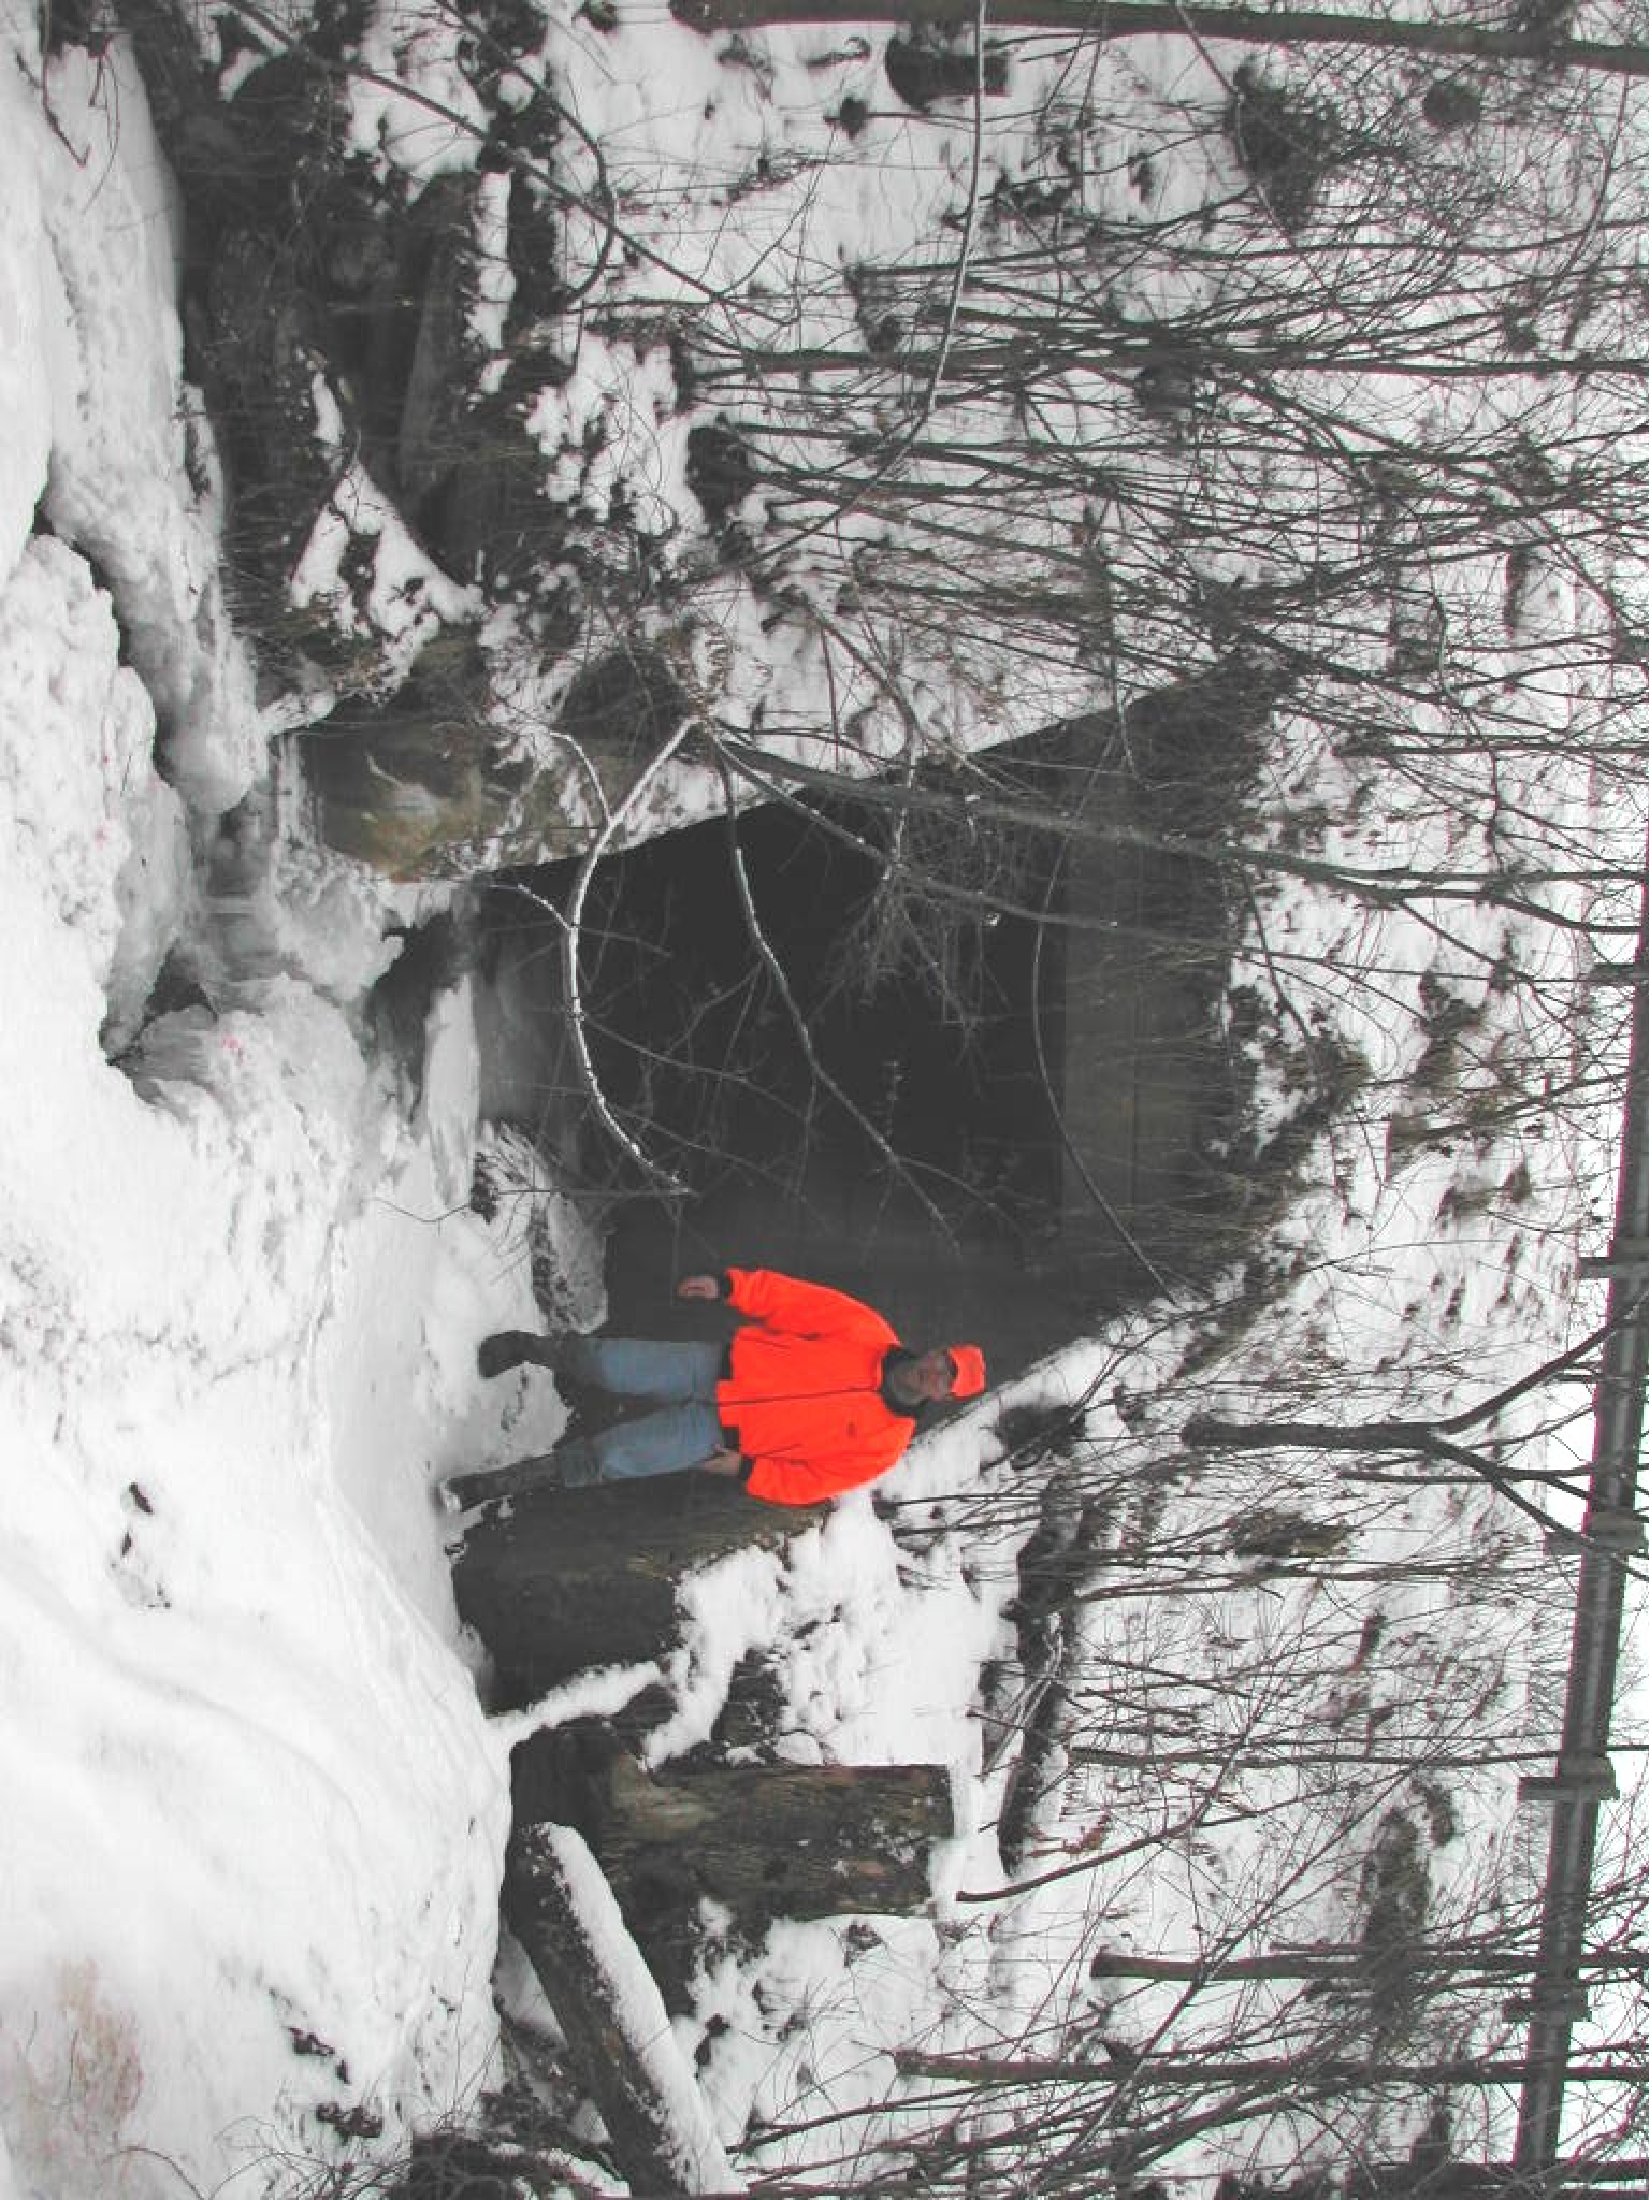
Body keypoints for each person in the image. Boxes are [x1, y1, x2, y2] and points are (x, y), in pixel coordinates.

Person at [474, 1267, 987, 1507]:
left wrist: (746, 1470)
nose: (936, 1374)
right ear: (936, 1350)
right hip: (712, 1367)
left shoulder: (884, 1446)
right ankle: (525, 1347)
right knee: (606, 1364)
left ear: (944, 1398)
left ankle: (495, 1486)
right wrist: (730, 1287)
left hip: (719, 1435)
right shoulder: (868, 1331)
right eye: (944, 1363)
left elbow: (810, 1482)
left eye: (947, 1381)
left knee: (610, 1457)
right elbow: (796, 1301)